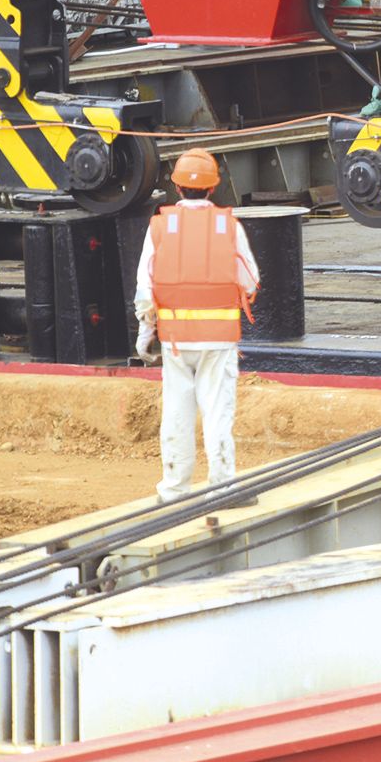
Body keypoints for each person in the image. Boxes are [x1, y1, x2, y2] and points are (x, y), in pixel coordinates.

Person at [133, 150, 260, 504]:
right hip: (218, 342)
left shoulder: (159, 226)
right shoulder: (228, 226)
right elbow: (250, 281)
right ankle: (222, 489)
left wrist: (146, 331)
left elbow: (145, 288)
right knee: (217, 413)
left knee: (176, 411)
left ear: (175, 186)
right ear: (213, 188)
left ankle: (174, 490)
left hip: (176, 342)